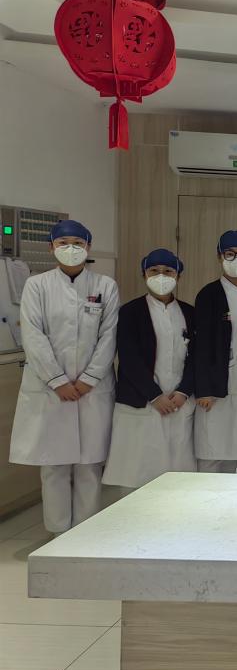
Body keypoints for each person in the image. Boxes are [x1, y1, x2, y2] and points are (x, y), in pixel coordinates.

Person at [10, 219, 119, 534]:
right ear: (51, 247)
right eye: (63, 243)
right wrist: (57, 380)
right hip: (50, 390)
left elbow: (109, 336)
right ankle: (58, 534)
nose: (71, 249)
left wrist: (89, 379)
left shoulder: (105, 286)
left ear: (88, 247)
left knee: (89, 466)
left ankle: (85, 534)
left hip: (91, 390)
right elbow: (33, 336)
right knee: (54, 466)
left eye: (77, 243)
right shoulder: (37, 285)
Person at [103, 249, 195, 492]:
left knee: (177, 475)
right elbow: (129, 357)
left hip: (178, 402)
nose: (161, 276)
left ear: (178, 276)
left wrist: (183, 392)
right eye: (154, 271)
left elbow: (197, 357)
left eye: (168, 271)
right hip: (142, 401)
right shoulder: (130, 312)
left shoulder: (189, 313)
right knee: (137, 472)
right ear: (144, 274)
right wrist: (154, 395)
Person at [193, 231, 237, 474]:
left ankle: (226, 493)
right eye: (230, 254)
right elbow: (200, 345)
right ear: (219, 256)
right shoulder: (209, 295)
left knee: (234, 447)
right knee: (212, 447)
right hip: (216, 381)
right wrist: (204, 388)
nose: (236, 260)